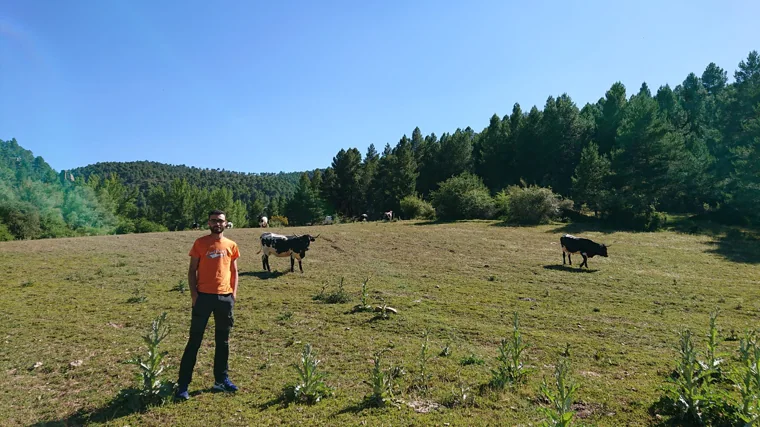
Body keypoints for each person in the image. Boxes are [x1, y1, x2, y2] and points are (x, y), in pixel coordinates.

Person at [175, 209, 240, 401]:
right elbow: (191, 271)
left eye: (220, 221)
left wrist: (233, 295)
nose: (217, 224)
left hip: (225, 299)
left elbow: (235, 272)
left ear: (226, 223)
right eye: (213, 221)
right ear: (208, 223)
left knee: (223, 342)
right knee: (194, 341)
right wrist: (194, 295)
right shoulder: (200, 243)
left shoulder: (231, 245)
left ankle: (221, 381)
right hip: (203, 298)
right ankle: (183, 386)